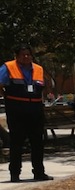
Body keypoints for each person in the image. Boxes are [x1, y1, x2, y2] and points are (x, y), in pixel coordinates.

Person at [0, 44, 52, 182]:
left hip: (35, 109)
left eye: (29, 54)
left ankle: (39, 173)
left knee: (37, 143)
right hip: (16, 109)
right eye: (23, 55)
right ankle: (15, 174)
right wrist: (6, 97)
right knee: (16, 143)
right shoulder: (8, 67)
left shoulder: (38, 69)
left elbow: (44, 86)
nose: (26, 57)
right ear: (16, 56)